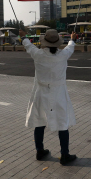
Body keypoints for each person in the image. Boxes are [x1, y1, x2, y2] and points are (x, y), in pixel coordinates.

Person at [22, 29, 78, 165]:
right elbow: (71, 46)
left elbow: (28, 45)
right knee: (62, 122)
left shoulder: (38, 54)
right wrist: (73, 38)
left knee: (39, 121)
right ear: (58, 43)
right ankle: (65, 154)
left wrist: (23, 36)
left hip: (41, 93)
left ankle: (39, 151)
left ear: (44, 43)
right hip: (58, 94)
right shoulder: (63, 55)